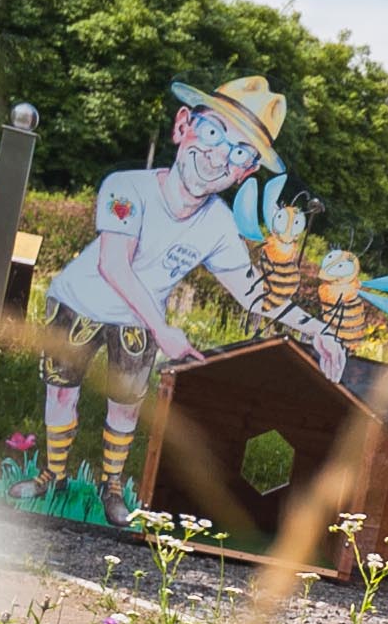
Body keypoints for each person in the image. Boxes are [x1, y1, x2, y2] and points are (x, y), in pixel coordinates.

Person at [26, 76, 344, 519]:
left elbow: (254, 294)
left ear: (246, 172)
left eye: (240, 153)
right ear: (183, 126)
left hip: (139, 322)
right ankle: (53, 474)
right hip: (79, 303)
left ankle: (112, 486)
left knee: (125, 407)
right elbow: (114, 264)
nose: (218, 156)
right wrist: (164, 330)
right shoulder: (126, 187)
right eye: (212, 132)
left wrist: (319, 330)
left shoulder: (218, 226)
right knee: (62, 394)